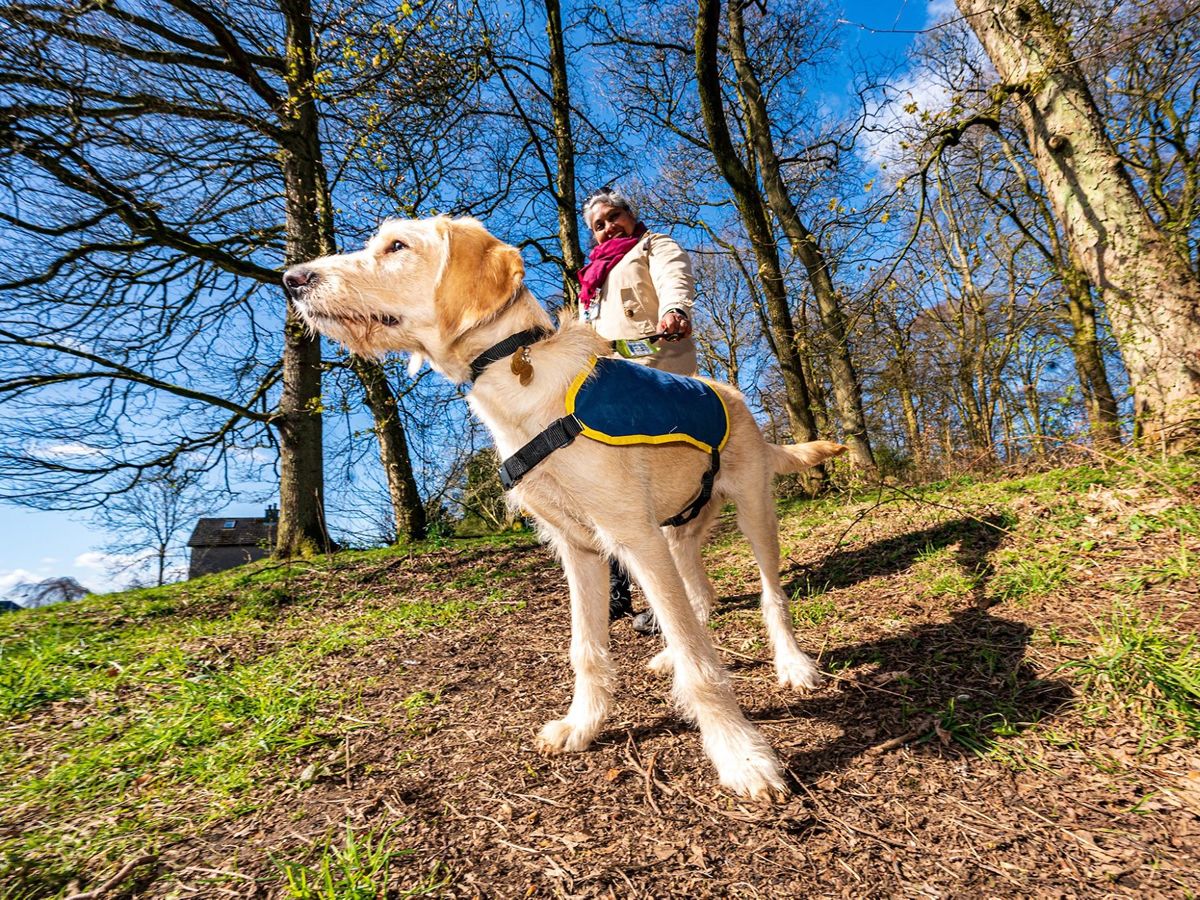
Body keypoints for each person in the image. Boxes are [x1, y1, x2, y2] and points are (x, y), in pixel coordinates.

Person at [577, 186, 699, 636]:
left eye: (614, 216)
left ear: (631, 214)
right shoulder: (592, 276)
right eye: (599, 224)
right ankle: (616, 592)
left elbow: (674, 278)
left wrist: (674, 309)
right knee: (609, 486)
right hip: (610, 382)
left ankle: (677, 597)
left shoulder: (653, 245)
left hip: (658, 369)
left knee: (660, 488)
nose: (609, 227)